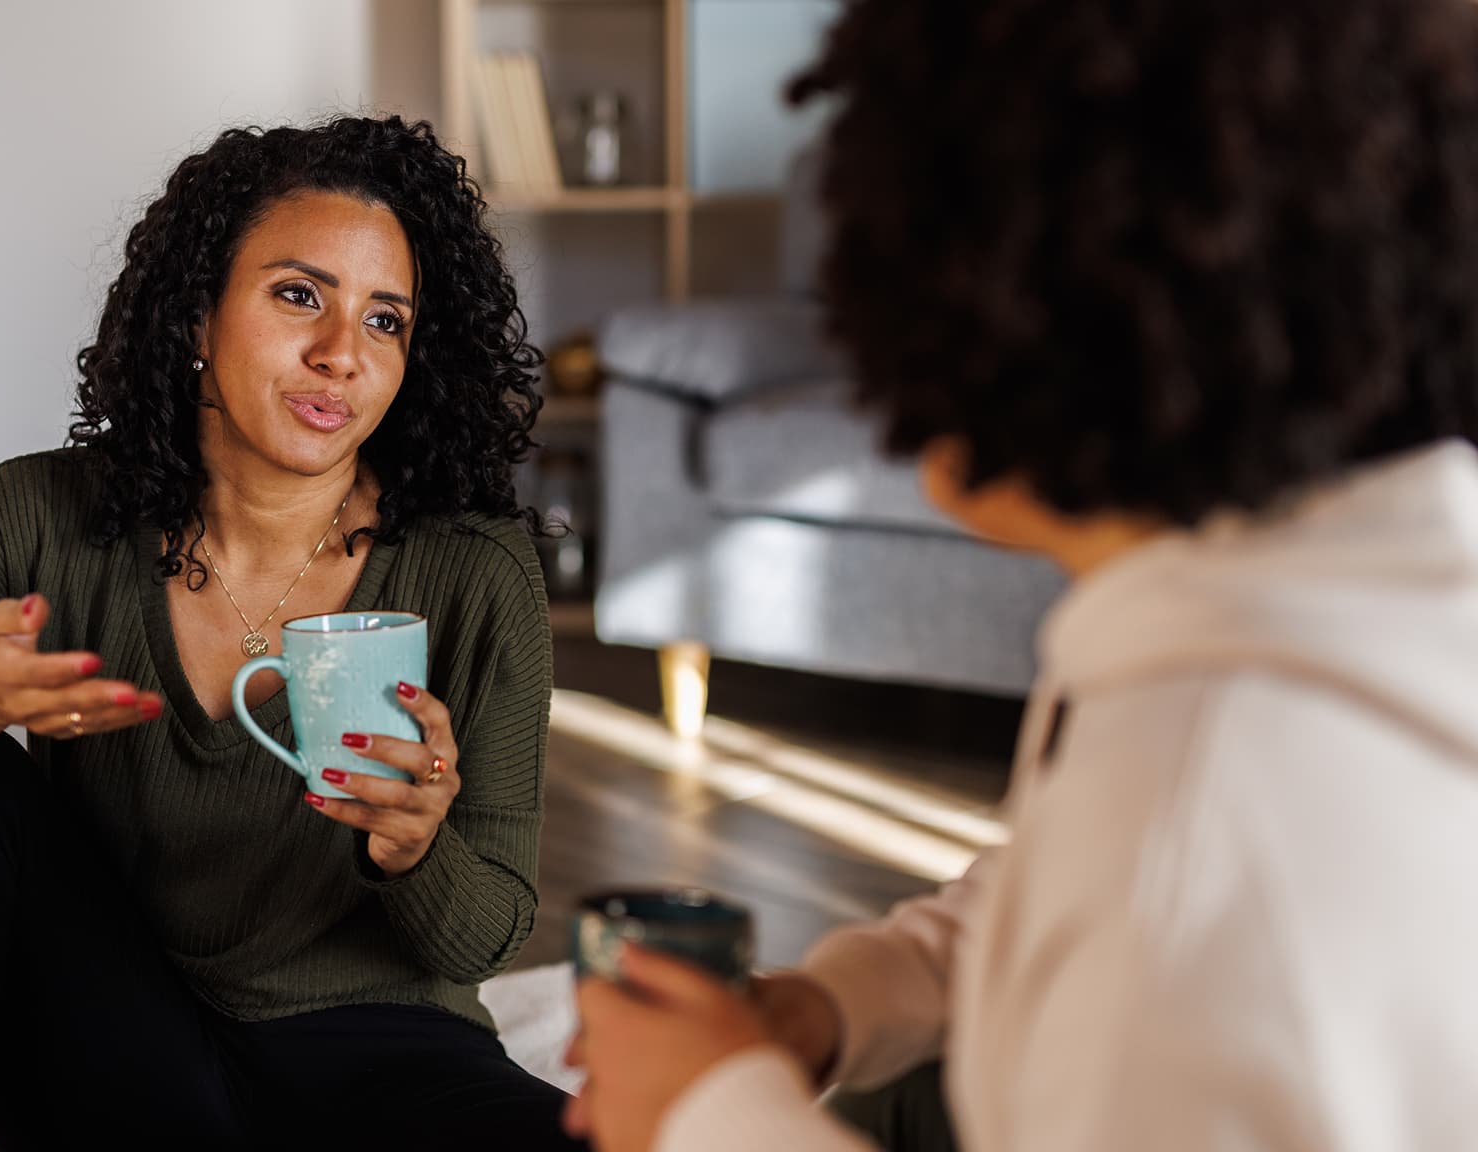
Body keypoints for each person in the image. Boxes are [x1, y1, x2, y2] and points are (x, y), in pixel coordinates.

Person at [568, 0, 1478, 1149]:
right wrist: (836, 1000)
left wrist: (710, 1113)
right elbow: (1061, 890)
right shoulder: (1335, 602)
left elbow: (1145, 896)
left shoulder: (1196, 821)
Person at [0, 114, 586, 1152]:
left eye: (385, 320)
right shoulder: (36, 515)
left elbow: (488, 932)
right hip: (116, 1044)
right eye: (299, 294)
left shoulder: (473, 568)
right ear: (195, 316)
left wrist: (414, 848)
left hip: (378, 1051)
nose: (339, 355)